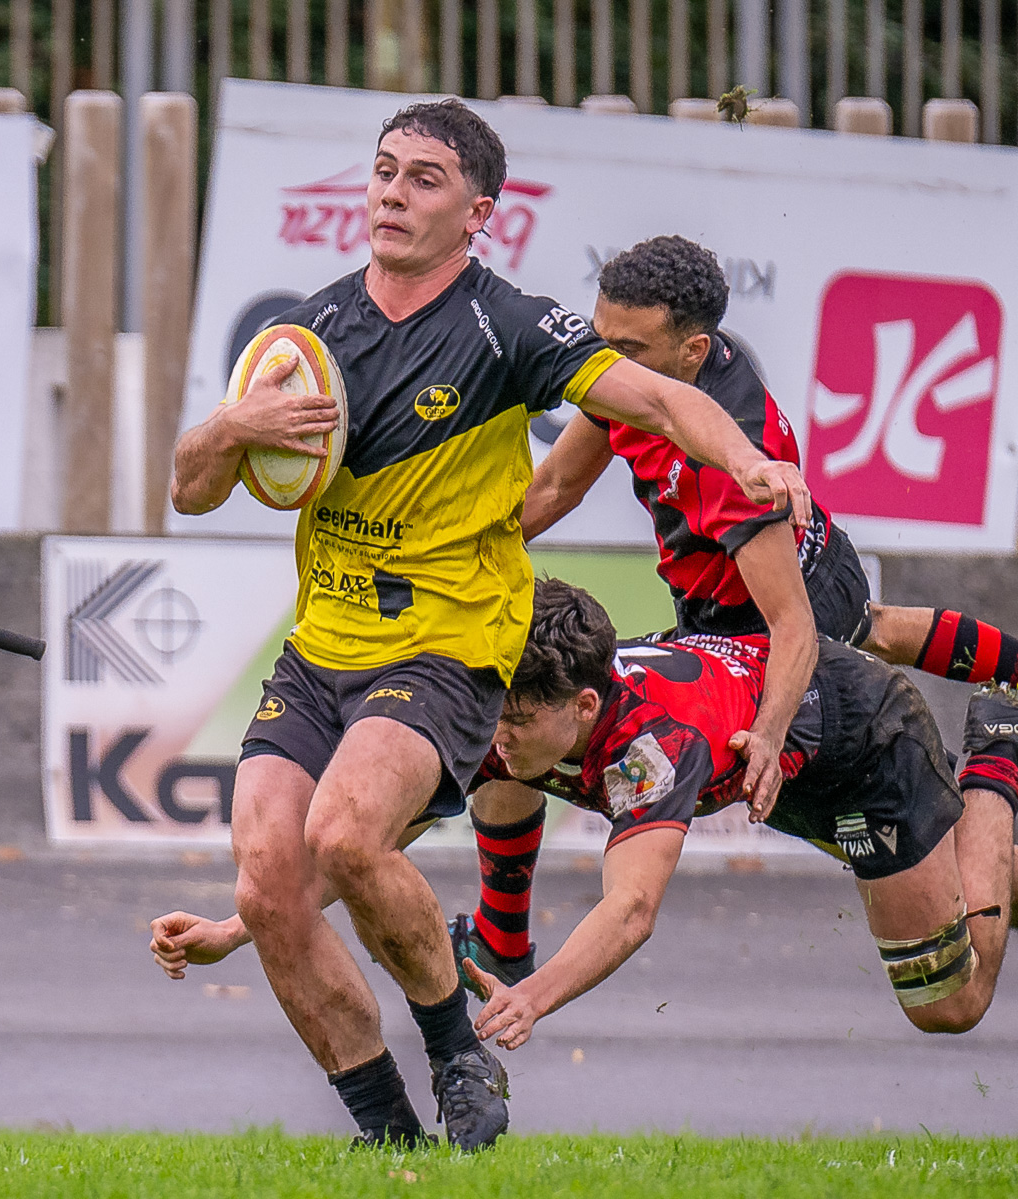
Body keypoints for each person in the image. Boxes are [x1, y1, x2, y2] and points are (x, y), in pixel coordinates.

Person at [166, 99, 810, 1150]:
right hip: (321, 644)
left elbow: (653, 400)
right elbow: (191, 489)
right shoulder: (308, 334)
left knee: (344, 832)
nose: (390, 192)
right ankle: (389, 1136)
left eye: (423, 178)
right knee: (269, 881)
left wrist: (744, 459)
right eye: (382, 171)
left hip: (448, 645)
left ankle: (455, 1047)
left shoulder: (509, 326)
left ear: (479, 213)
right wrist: (235, 423)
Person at [449, 234, 1018, 992]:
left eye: (623, 345)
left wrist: (765, 738)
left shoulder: (731, 465)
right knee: (922, 783)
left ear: (693, 350)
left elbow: (790, 630)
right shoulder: (635, 377)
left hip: (774, 615)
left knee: (874, 658)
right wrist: (446, 554)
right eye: (600, 337)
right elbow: (553, 490)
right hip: (721, 602)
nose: (599, 361)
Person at [460, 579, 1018, 1107]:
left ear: (585, 704)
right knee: (961, 869)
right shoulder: (534, 700)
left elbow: (630, 909)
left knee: (951, 999)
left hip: (861, 743)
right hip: (781, 746)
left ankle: (999, 760)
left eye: (517, 721)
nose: (500, 732)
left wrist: (532, 996)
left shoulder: (648, 749)